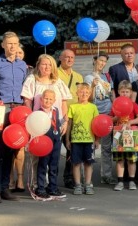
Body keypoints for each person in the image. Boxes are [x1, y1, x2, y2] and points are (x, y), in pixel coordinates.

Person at [21, 54, 72, 189]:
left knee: (52, 157)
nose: (47, 67)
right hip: (38, 124)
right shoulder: (33, 80)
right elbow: (27, 101)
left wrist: (65, 121)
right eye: (44, 64)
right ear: (38, 65)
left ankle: (51, 186)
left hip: (56, 124)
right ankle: (37, 185)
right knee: (37, 156)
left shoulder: (57, 81)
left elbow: (64, 102)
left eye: (50, 65)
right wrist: (31, 122)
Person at [0, 31, 27, 204]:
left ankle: (5, 188)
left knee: (11, 150)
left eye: (16, 43)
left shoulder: (22, 65)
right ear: (3, 45)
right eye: (9, 43)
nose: (13, 46)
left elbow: (26, 91)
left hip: (17, 110)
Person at [84, 52, 115, 185]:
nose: (102, 63)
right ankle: (86, 178)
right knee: (90, 146)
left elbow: (111, 94)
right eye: (100, 60)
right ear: (94, 60)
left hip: (107, 113)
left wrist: (114, 108)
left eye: (104, 61)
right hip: (94, 114)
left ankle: (106, 175)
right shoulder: (88, 78)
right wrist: (92, 86)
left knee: (107, 147)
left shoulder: (107, 77)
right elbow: (87, 98)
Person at [65, 83, 99, 195]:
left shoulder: (93, 107)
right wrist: (67, 140)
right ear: (77, 93)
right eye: (81, 92)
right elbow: (69, 124)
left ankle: (88, 184)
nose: (84, 94)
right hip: (76, 140)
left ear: (90, 94)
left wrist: (97, 139)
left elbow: (97, 124)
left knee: (88, 163)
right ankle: (78, 185)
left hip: (89, 140)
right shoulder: (73, 107)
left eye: (86, 92)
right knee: (76, 163)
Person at [58, 49, 84, 189]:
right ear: (60, 58)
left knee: (72, 148)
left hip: (75, 117)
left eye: (72, 57)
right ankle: (49, 178)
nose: (69, 59)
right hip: (60, 117)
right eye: (66, 57)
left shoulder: (78, 76)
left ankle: (70, 178)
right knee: (55, 148)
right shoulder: (55, 73)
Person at [111, 80, 138, 191]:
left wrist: (130, 122)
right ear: (119, 92)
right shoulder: (115, 105)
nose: (125, 94)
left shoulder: (134, 105)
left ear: (130, 93)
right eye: (122, 91)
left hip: (131, 135)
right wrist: (116, 117)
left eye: (127, 92)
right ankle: (120, 181)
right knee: (120, 159)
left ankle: (131, 181)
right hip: (119, 134)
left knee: (131, 159)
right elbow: (111, 119)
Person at [34, 89, 67, 199]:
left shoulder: (56, 110)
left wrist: (65, 122)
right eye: (46, 98)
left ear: (54, 100)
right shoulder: (38, 113)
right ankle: (41, 188)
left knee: (54, 165)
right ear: (41, 99)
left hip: (56, 140)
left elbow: (60, 121)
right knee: (43, 165)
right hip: (44, 142)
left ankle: (52, 187)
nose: (48, 101)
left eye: (50, 99)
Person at [9, 45, 30, 192]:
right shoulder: (6, 68)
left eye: (20, 52)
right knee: (8, 144)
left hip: (22, 111)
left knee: (20, 145)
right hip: (8, 108)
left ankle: (20, 178)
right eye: (15, 52)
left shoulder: (28, 70)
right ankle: (10, 178)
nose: (17, 55)